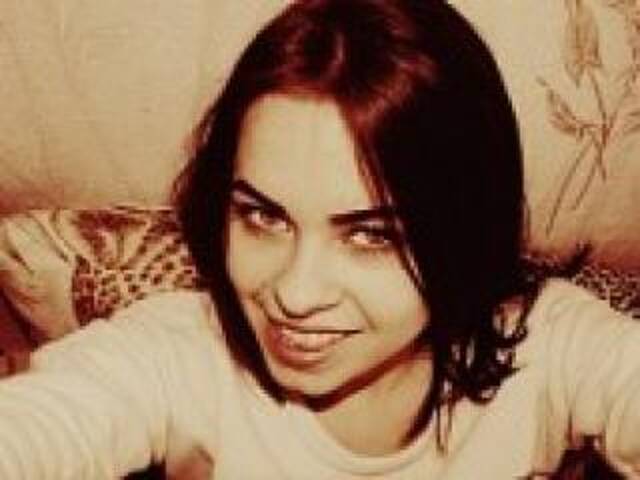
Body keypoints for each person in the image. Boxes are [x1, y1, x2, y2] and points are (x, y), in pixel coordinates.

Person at [0, 0, 639, 478]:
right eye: (263, 217)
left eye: (370, 235)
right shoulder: (182, 355)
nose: (295, 294)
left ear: (462, 228)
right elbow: (43, 426)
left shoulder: (551, 348)